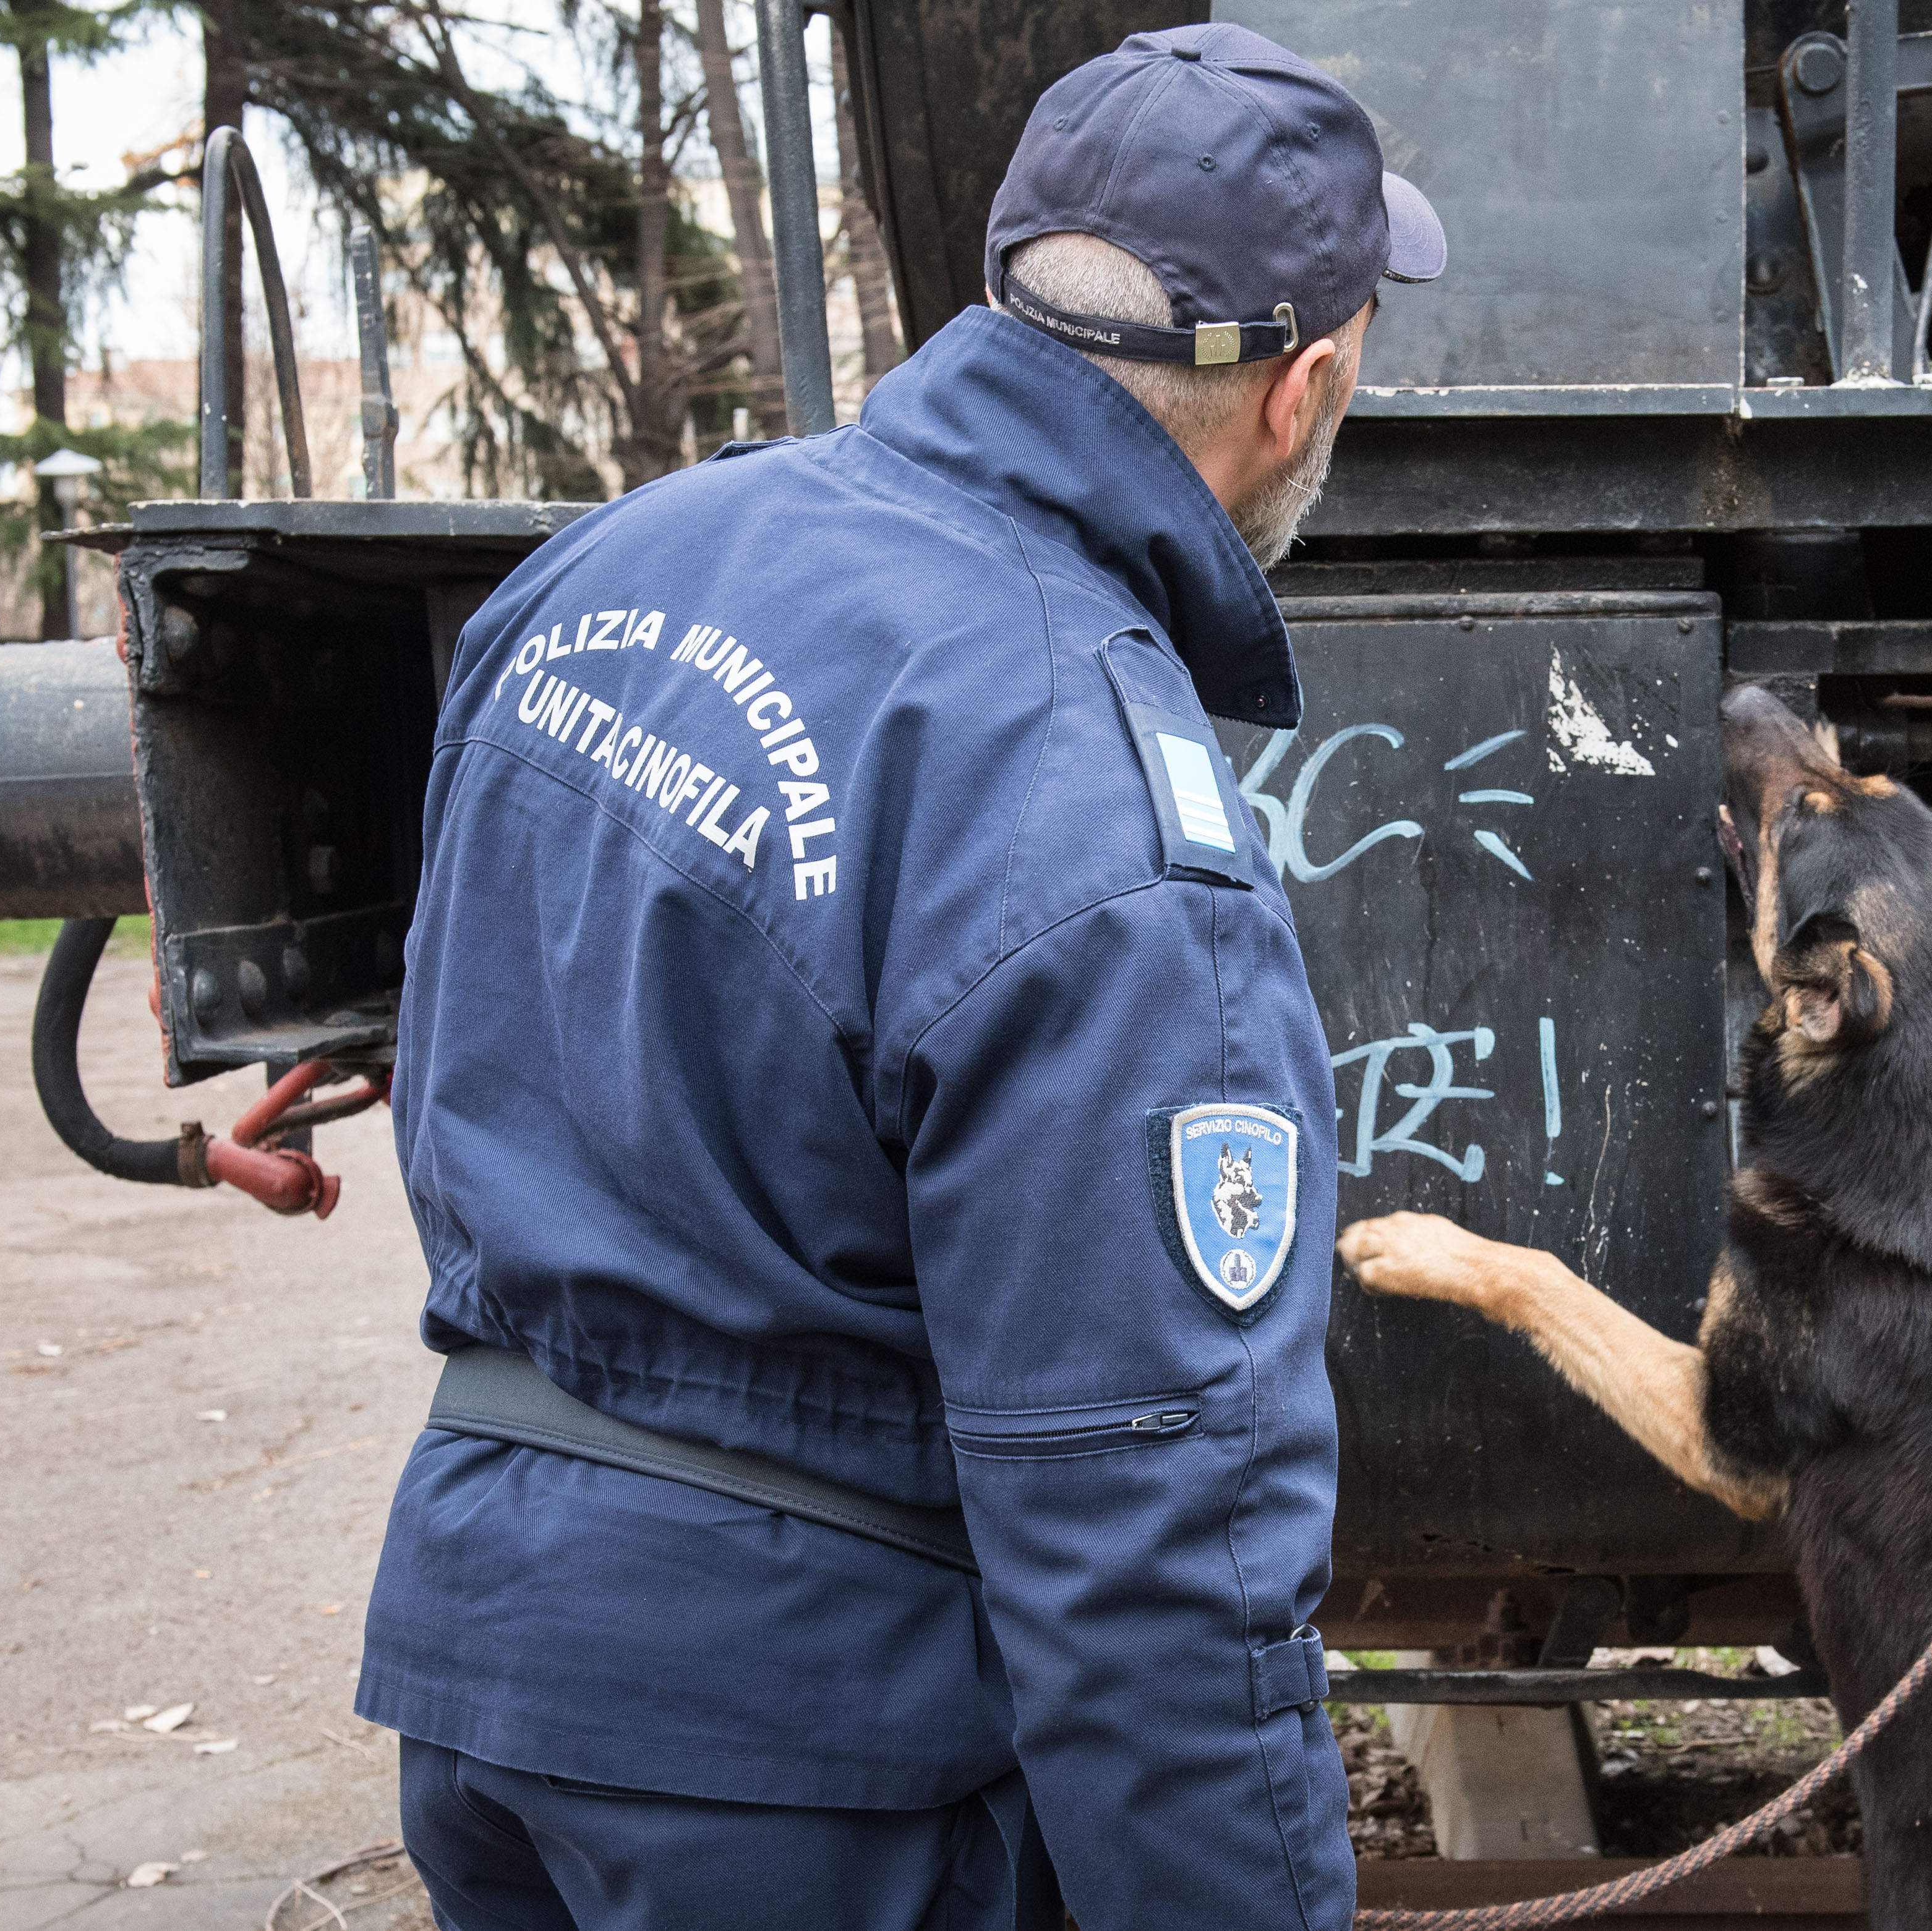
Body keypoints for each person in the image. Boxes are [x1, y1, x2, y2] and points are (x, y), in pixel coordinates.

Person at [356, 23, 1443, 1930]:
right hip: (799, 1779)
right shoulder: (1083, 783)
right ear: (1306, 386)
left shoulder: (608, 564)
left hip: (487, 1678)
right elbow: (1159, 1539)